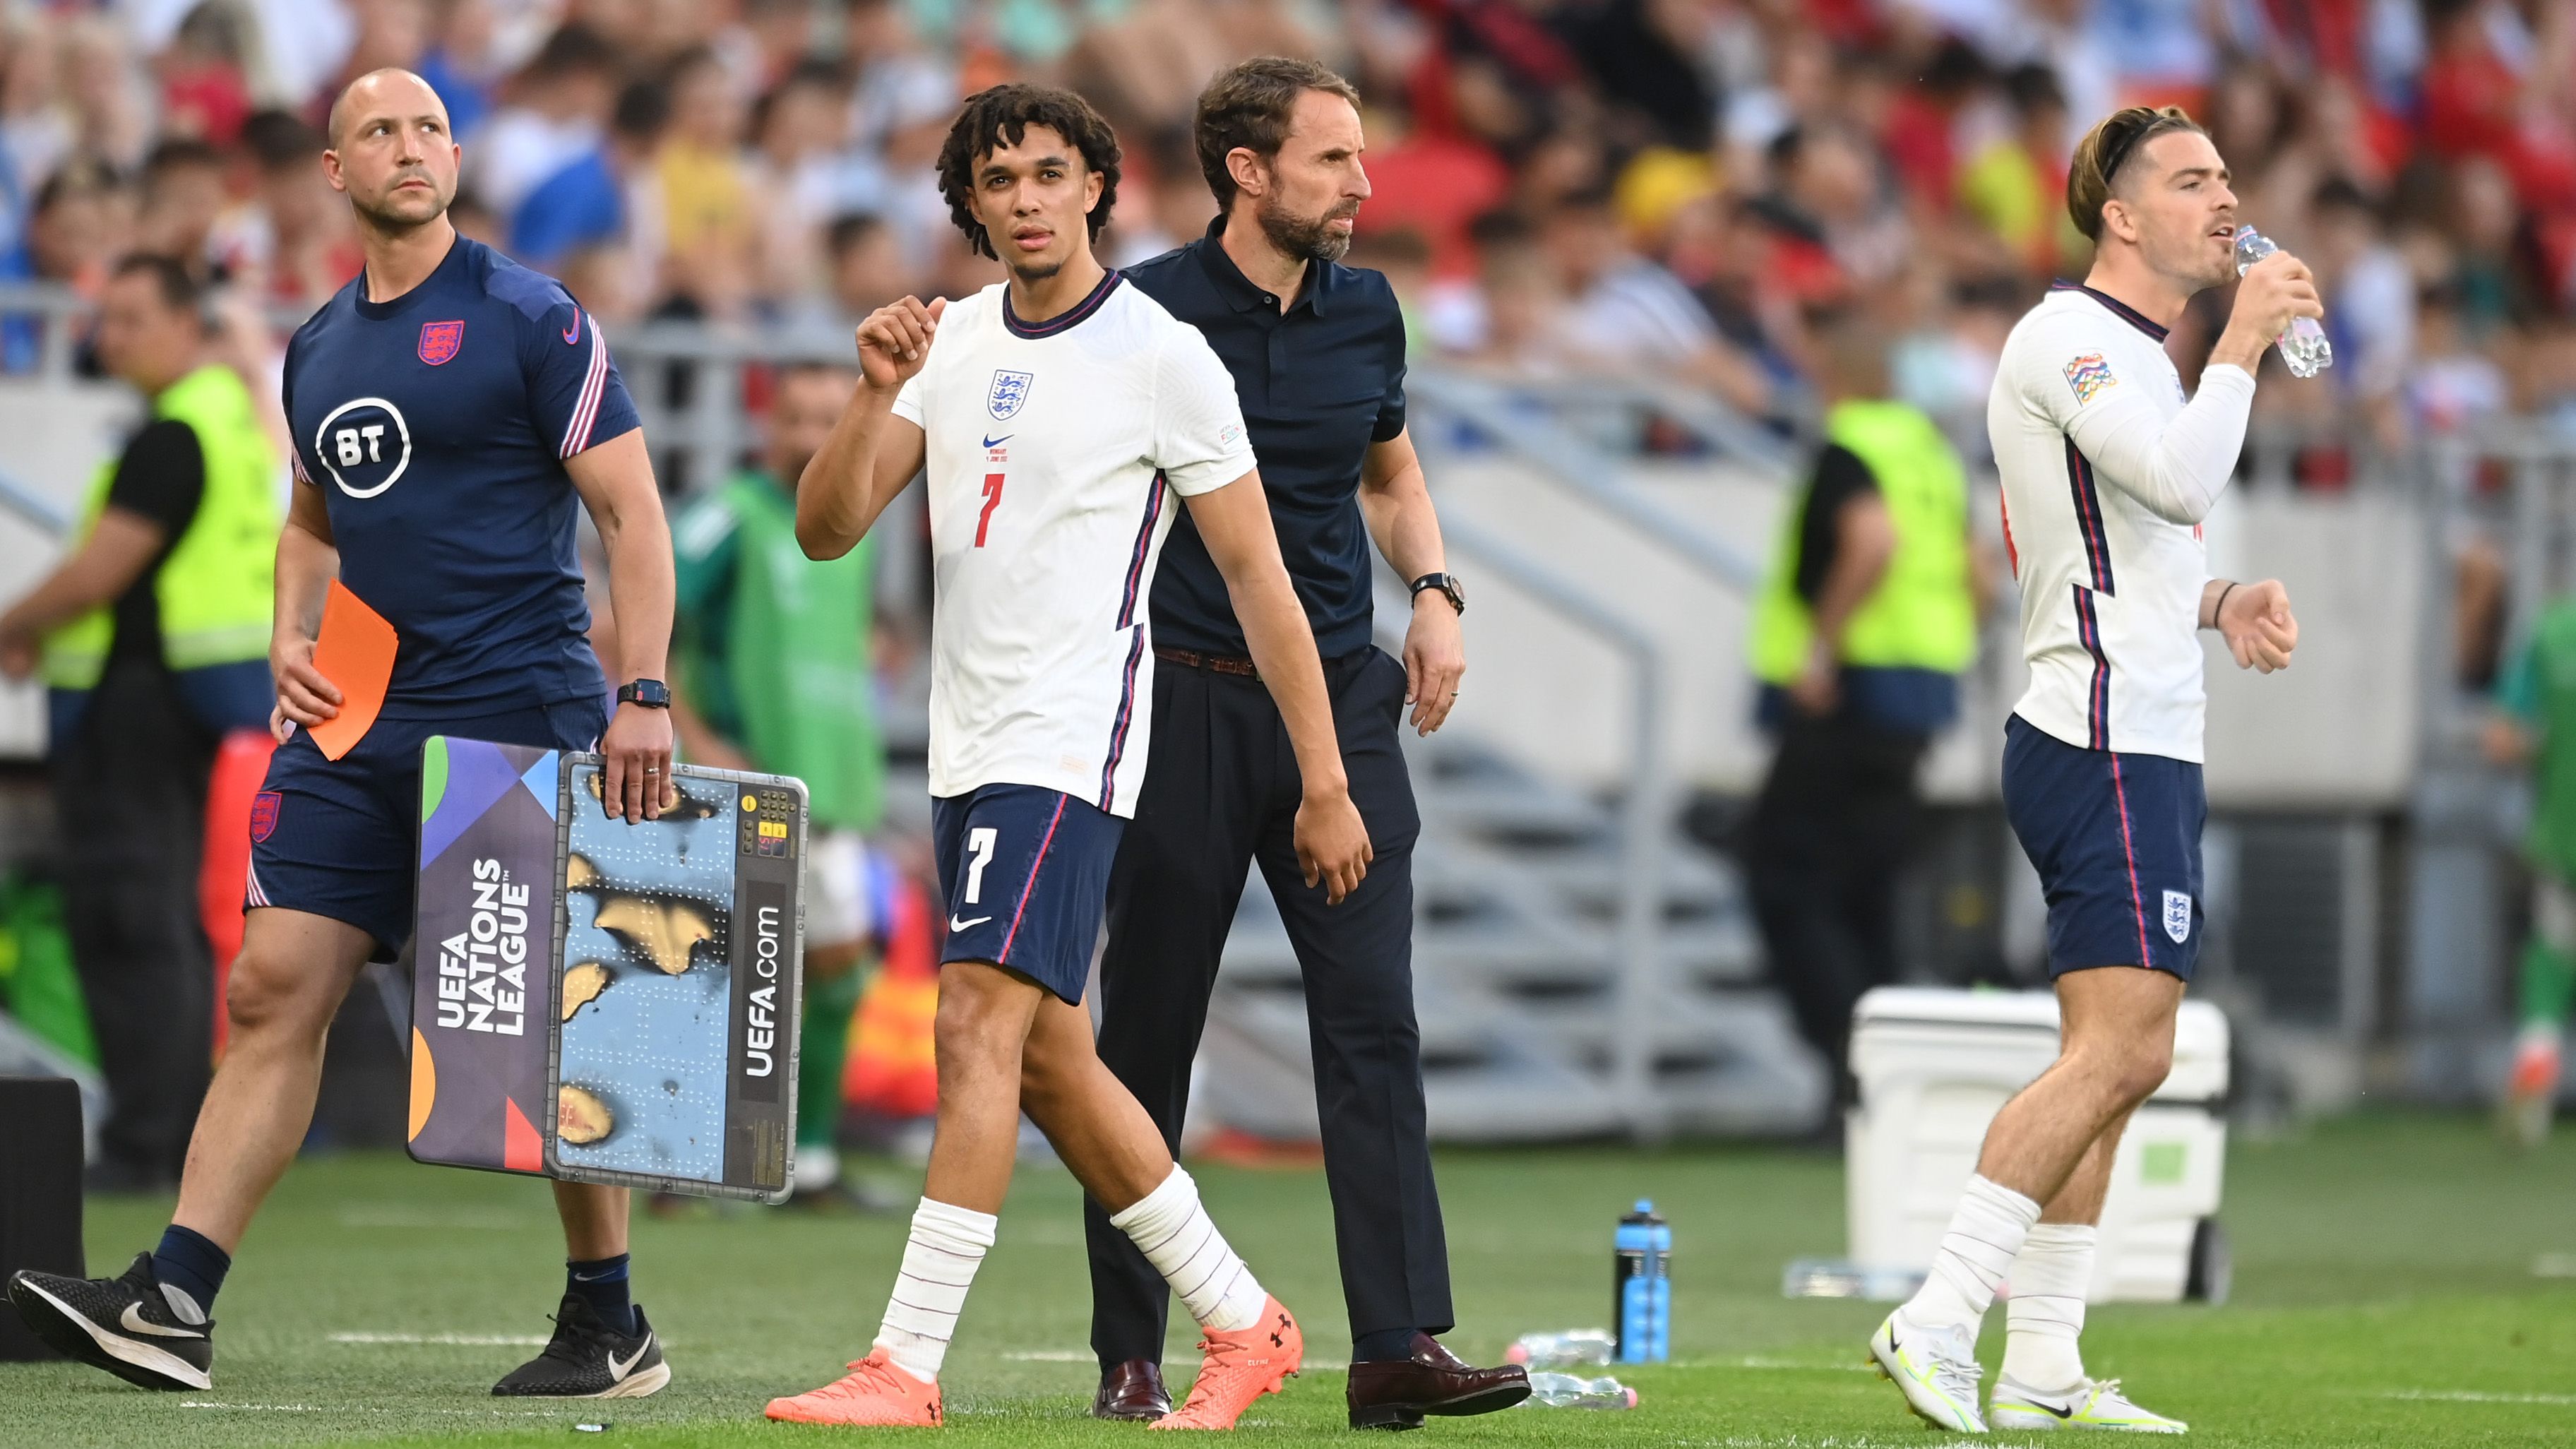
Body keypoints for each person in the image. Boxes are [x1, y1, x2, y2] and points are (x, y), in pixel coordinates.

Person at [6, 68, 682, 1401]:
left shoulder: (531, 316)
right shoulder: (315, 345)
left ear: (453, 155)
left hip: (514, 715)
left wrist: (642, 690)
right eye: (379, 130)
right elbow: (314, 516)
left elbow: (632, 513)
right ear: (335, 170)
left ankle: (607, 1320)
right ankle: (178, 1296)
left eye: (430, 127)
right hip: (360, 722)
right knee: (270, 987)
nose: (410, 147)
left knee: (540, 1031)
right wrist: (287, 630)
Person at [762, 82, 1371, 1431]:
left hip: (1071, 736)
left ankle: (904, 1364)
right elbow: (826, 529)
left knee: (974, 1019)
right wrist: (869, 397)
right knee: (1047, 1060)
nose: (1027, 197)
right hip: (967, 738)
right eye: (999, 179)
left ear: (1096, 185)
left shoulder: (1161, 355)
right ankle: (1243, 1321)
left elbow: (1263, 579)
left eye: (1049, 172)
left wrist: (1322, 775)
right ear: (970, 205)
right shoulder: (948, 339)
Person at [1084, 56, 1530, 1431]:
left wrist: (1438, 594)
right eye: (1334, 160)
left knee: (1374, 1029)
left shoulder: (1369, 311)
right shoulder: (1144, 312)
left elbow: (1389, 474)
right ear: (1249, 171)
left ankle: (1395, 1346)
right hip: (1184, 706)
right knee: (1145, 1040)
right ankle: (1131, 1357)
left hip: (1343, 695)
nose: (1366, 184)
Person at [1868, 105, 2312, 1435]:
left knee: (2115, 1060)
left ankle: (2043, 1358)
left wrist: (2218, 597)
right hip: (2097, 741)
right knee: (2122, 1052)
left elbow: (2123, 554)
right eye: (2188, 182)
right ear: (2119, 215)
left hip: (2139, 733)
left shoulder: (2133, 358)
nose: (2221, 202)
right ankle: (1936, 1312)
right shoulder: (2065, 338)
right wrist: (2240, 337)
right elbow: (2175, 485)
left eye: (2226, 177)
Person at [0, 254, 280, 1193]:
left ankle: (144, 1144)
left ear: (183, 325)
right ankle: (163, 1136)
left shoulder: (174, 436)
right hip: (177, 701)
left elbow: (97, 573)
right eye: (103, 320)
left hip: (138, 708)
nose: (105, 337)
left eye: (127, 320)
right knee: (155, 917)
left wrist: (13, 623)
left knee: (130, 921)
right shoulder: (220, 422)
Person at [1743, 307, 1977, 1104]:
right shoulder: (1930, 455)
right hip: (1917, 697)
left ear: (1831, 374)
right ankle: (1886, 1084)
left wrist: (1821, 649)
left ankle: (1848, 1065)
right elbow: (1978, 570)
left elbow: (1870, 542)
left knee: (1789, 882)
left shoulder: (1852, 448)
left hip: (1847, 697)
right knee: (1868, 894)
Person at [671, 360, 887, 1205]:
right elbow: (641, 615)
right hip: (738, 788)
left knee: (837, 974)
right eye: (796, 419)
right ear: (768, 427)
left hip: (826, 786)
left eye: (830, 419)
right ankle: (678, 1162)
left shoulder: (853, 519)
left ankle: (815, 1165)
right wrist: (696, 737)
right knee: (709, 974)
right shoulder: (731, 513)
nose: (811, 437)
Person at [2484, 599, 2576, 1148]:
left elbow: (2501, 738)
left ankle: (2537, 1063)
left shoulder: (2550, 635)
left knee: (2550, 953)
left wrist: (2547, 750)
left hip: (2559, 833)